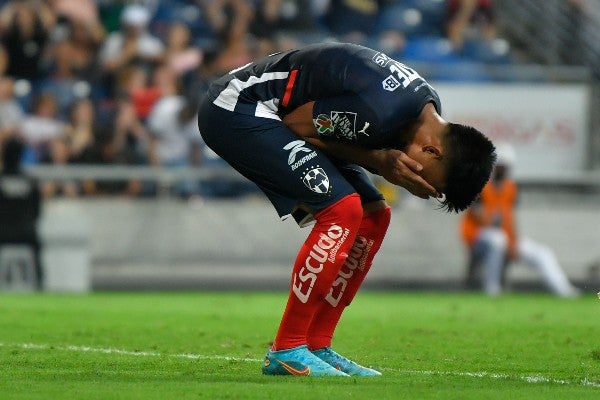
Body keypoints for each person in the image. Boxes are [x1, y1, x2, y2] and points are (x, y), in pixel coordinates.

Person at [197, 42, 496, 377]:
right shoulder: (383, 113)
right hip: (236, 109)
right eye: (425, 179)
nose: (417, 183)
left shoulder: (421, 108)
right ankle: (288, 349)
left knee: (373, 216)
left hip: (274, 115)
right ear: (432, 150)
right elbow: (297, 125)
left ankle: (316, 344)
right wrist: (380, 162)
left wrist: (380, 160)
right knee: (342, 211)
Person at [461, 143, 581, 297]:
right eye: (500, 166)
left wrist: (513, 242)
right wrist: (497, 224)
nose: (503, 170)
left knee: (542, 253)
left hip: (504, 237)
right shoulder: (480, 185)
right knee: (498, 240)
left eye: (506, 166)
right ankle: (492, 290)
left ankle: (564, 290)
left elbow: (509, 219)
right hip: (477, 237)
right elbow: (480, 218)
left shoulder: (511, 188)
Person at [0, 137, 43, 289]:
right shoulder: (30, 181)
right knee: (37, 251)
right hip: (26, 232)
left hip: (2, 233)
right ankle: (39, 284)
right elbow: (37, 211)